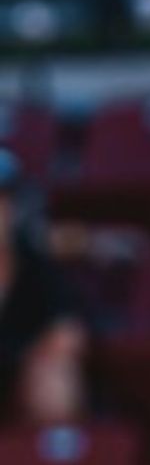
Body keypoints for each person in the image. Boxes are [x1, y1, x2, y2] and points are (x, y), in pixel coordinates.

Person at [0, 150, 89, 425]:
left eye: (2, 201)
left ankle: (53, 449)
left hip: (18, 370)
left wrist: (29, 360)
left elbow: (68, 333)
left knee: (54, 380)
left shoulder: (35, 264)